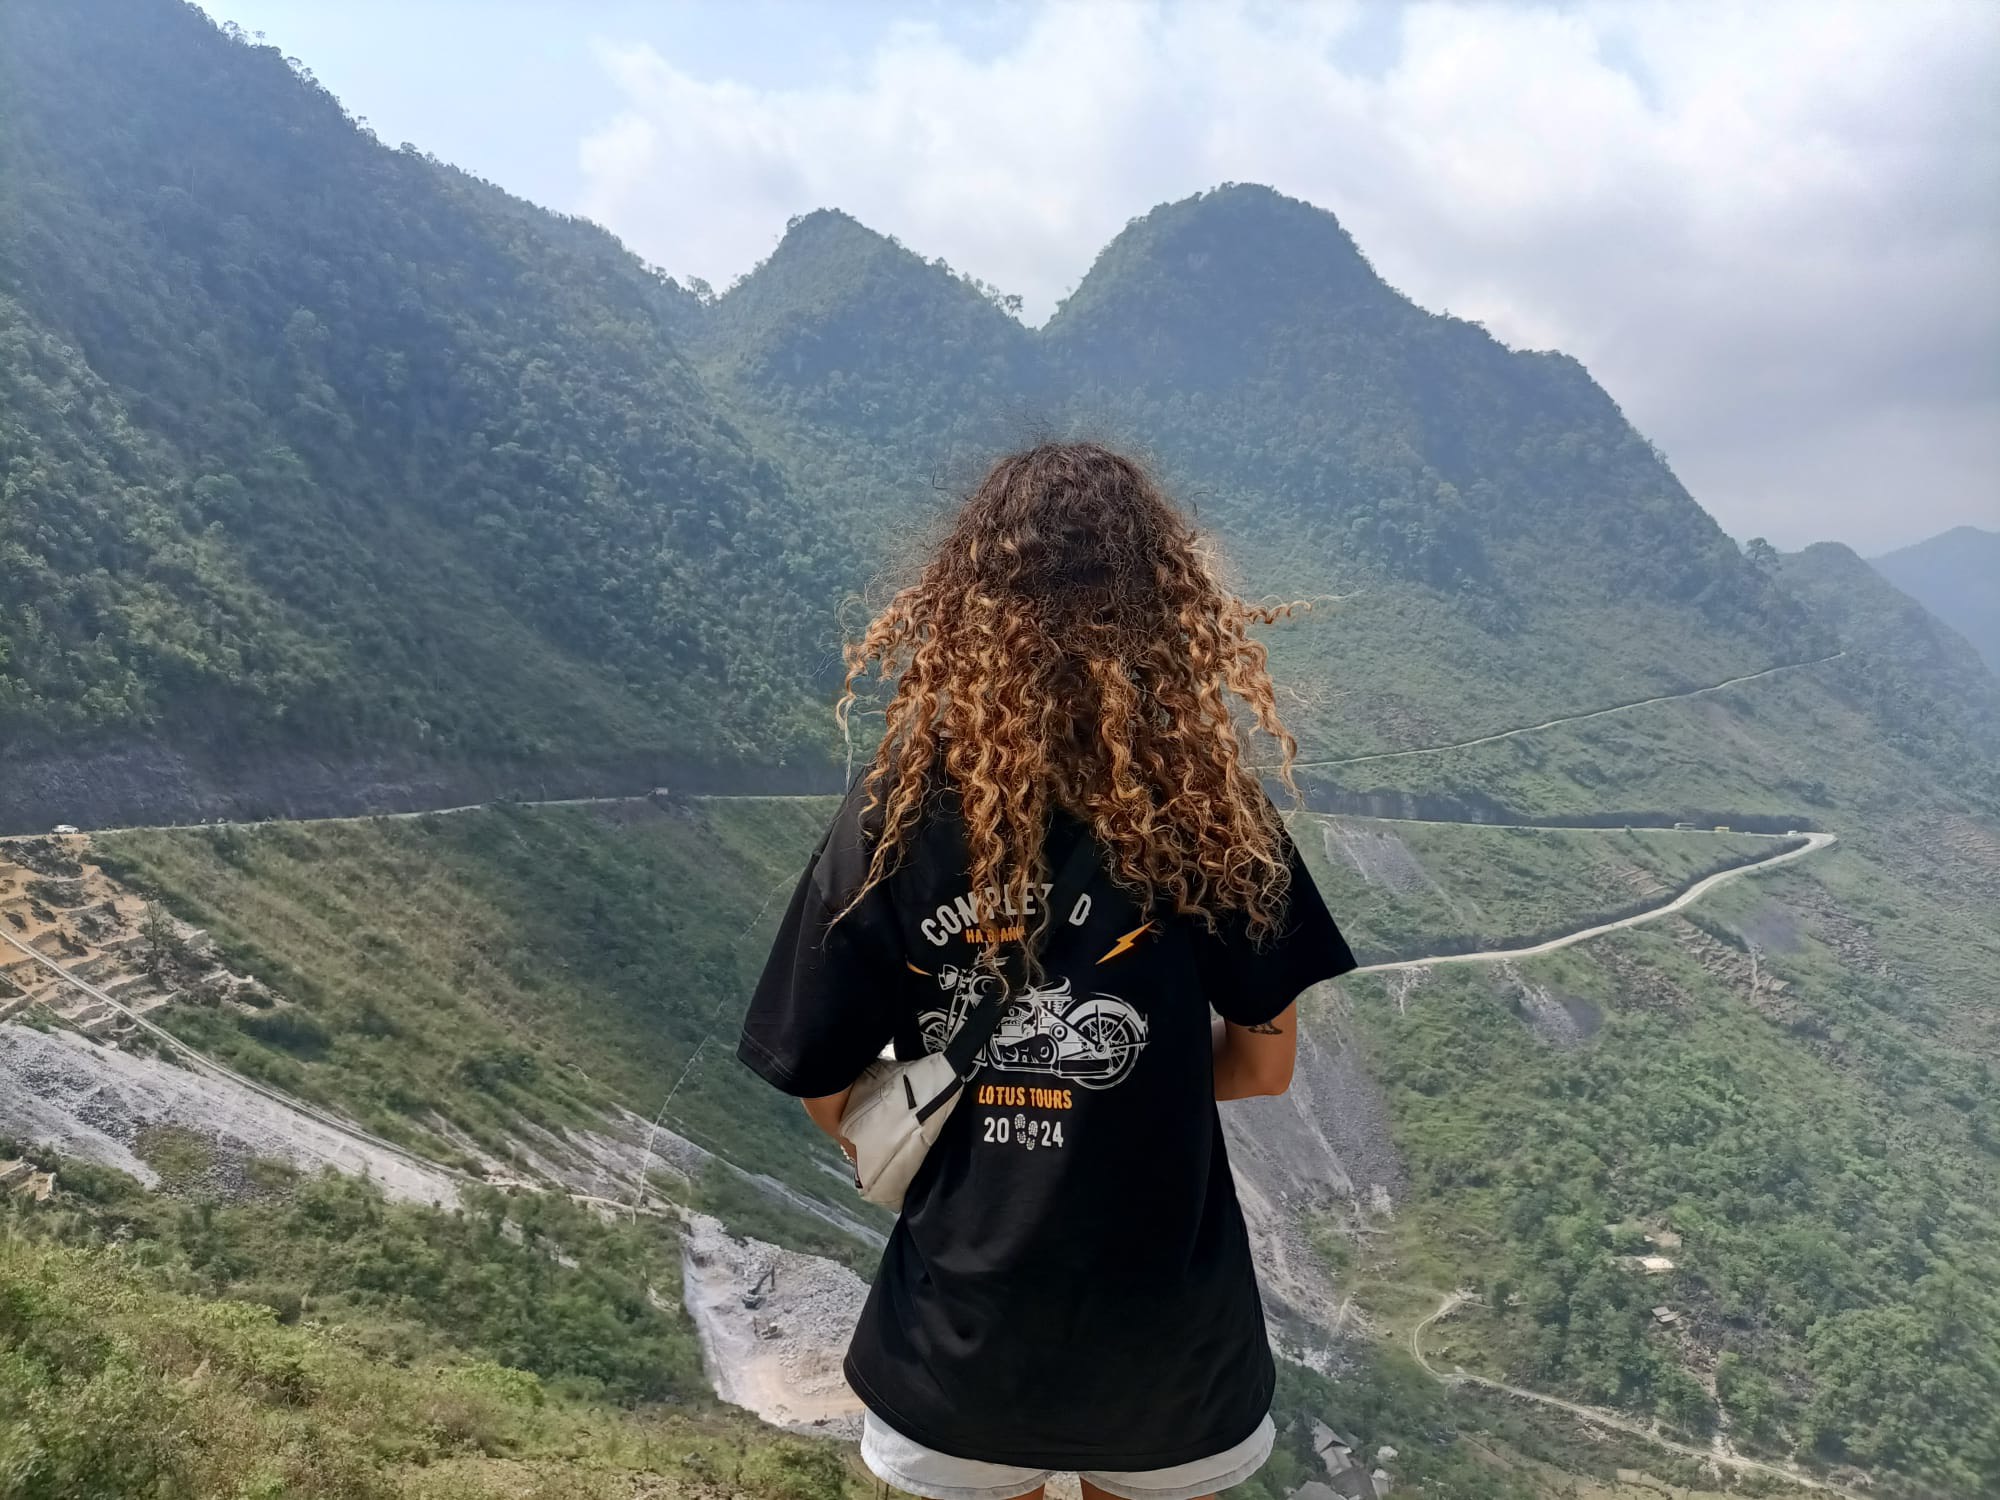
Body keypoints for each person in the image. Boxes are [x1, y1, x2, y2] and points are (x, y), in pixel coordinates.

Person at [737, 442, 1356, 1500]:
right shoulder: (1212, 813)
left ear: (965, 603)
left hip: (959, 1344)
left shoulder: (896, 813)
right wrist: (1145, 1080)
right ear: (1163, 607)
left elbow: (824, 1084)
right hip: (1168, 1350)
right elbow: (1263, 1068)